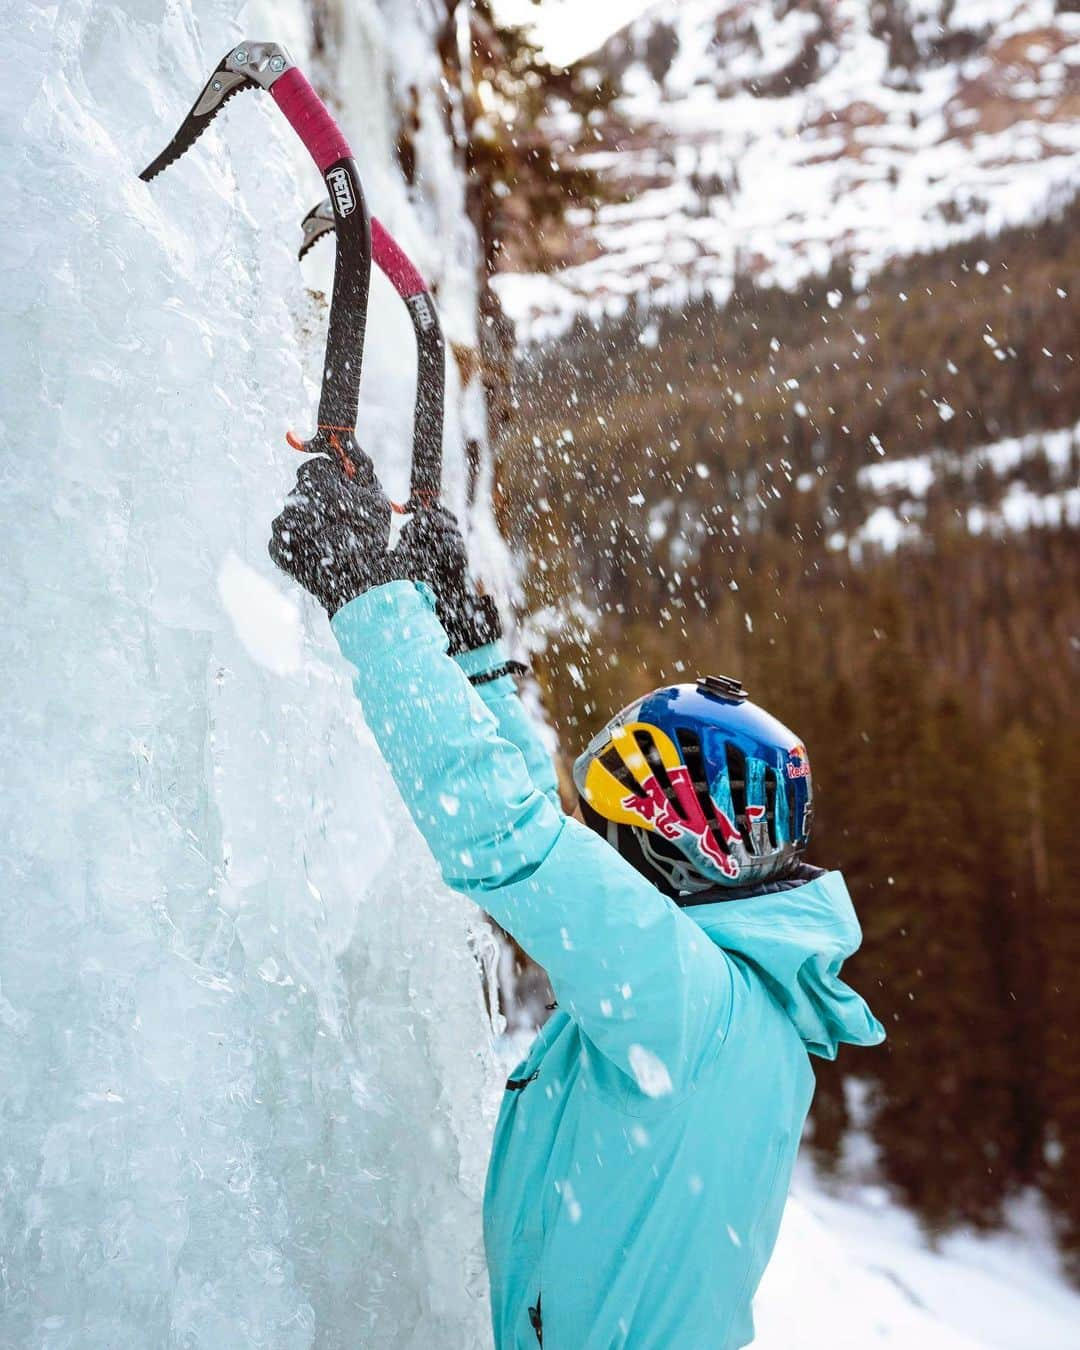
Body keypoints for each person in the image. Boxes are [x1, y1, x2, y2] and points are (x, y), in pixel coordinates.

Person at [269, 452, 884, 1349]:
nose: (601, 853)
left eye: (618, 836)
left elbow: (510, 839)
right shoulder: (729, 998)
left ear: (677, 847)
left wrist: (366, 600)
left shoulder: (684, 997)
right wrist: (471, 649)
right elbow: (541, 833)